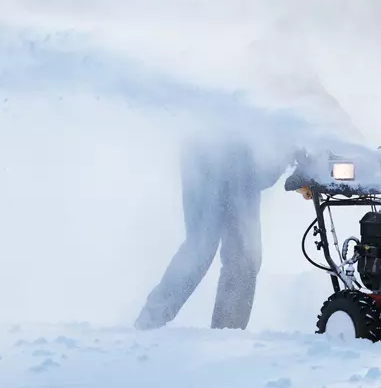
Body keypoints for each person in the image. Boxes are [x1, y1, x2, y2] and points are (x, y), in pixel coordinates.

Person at [133, 111, 310, 331]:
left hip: (245, 162)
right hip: (209, 151)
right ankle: (148, 324)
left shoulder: (294, 102)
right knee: (201, 246)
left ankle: (227, 335)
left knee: (245, 256)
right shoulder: (269, 90)